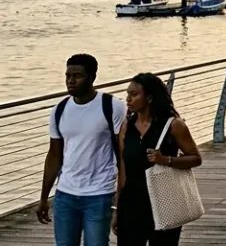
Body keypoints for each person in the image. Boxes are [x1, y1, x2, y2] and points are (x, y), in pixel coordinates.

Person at [38, 54, 127, 246]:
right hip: (65, 195)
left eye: (77, 76)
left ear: (92, 77)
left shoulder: (112, 107)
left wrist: (120, 204)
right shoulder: (59, 110)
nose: (70, 81)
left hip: (99, 194)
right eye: (68, 75)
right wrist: (44, 198)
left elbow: (123, 157)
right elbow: (54, 155)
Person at [115, 73, 202, 246]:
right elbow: (123, 168)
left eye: (134, 95)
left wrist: (166, 160)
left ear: (149, 97)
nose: (128, 99)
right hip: (131, 201)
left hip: (163, 201)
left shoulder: (173, 125)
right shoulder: (127, 125)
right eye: (127, 94)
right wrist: (118, 209)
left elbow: (196, 158)